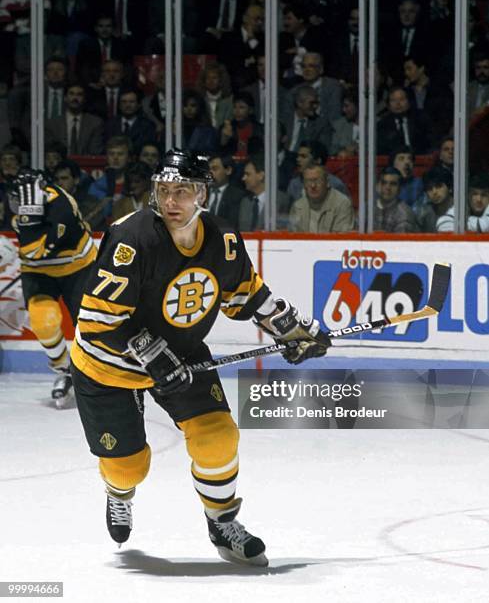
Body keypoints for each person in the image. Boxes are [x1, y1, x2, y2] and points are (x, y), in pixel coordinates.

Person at [70, 148, 330, 566]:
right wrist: (151, 355)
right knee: (128, 468)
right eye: (164, 190)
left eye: (183, 191)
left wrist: (290, 326)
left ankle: (222, 522)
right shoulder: (131, 239)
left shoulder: (223, 240)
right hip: (108, 366)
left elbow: (245, 293)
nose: (171, 201)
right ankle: (117, 492)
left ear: (202, 195)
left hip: (182, 354)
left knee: (218, 438)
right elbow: (98, 321)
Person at [7, 168, 97, 408]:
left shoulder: (62, 207)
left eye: (21, 203)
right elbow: (33, 252)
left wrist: (30, 215)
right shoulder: (20, 206)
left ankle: (94, 372)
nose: (15, 206)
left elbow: (34, 249)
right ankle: (65, 370)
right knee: (43, 321)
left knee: (90, 326)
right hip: (38, 271)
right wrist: (28, 213)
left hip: (79, 267)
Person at [288, 164, 355, 233]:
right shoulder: (298, 206)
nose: (313, 186)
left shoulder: (342, 204)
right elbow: (293, 240)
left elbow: (342, 240)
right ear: (304, 184)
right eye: (308, 181)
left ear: (327, 182)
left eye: (317, 181)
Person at [374, 166, 419, 233]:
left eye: (393, 184)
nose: (387, 187)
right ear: (377, 186)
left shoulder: (404, 213)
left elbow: (401, 243)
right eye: (384, 183)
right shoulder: (367, 208)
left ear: (399, 189)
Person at [416, 166, 453, 232]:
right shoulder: (423, 214)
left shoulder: (461, 211)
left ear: (450, 188)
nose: (434, 192)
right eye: (430, 188)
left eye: (438, 186)